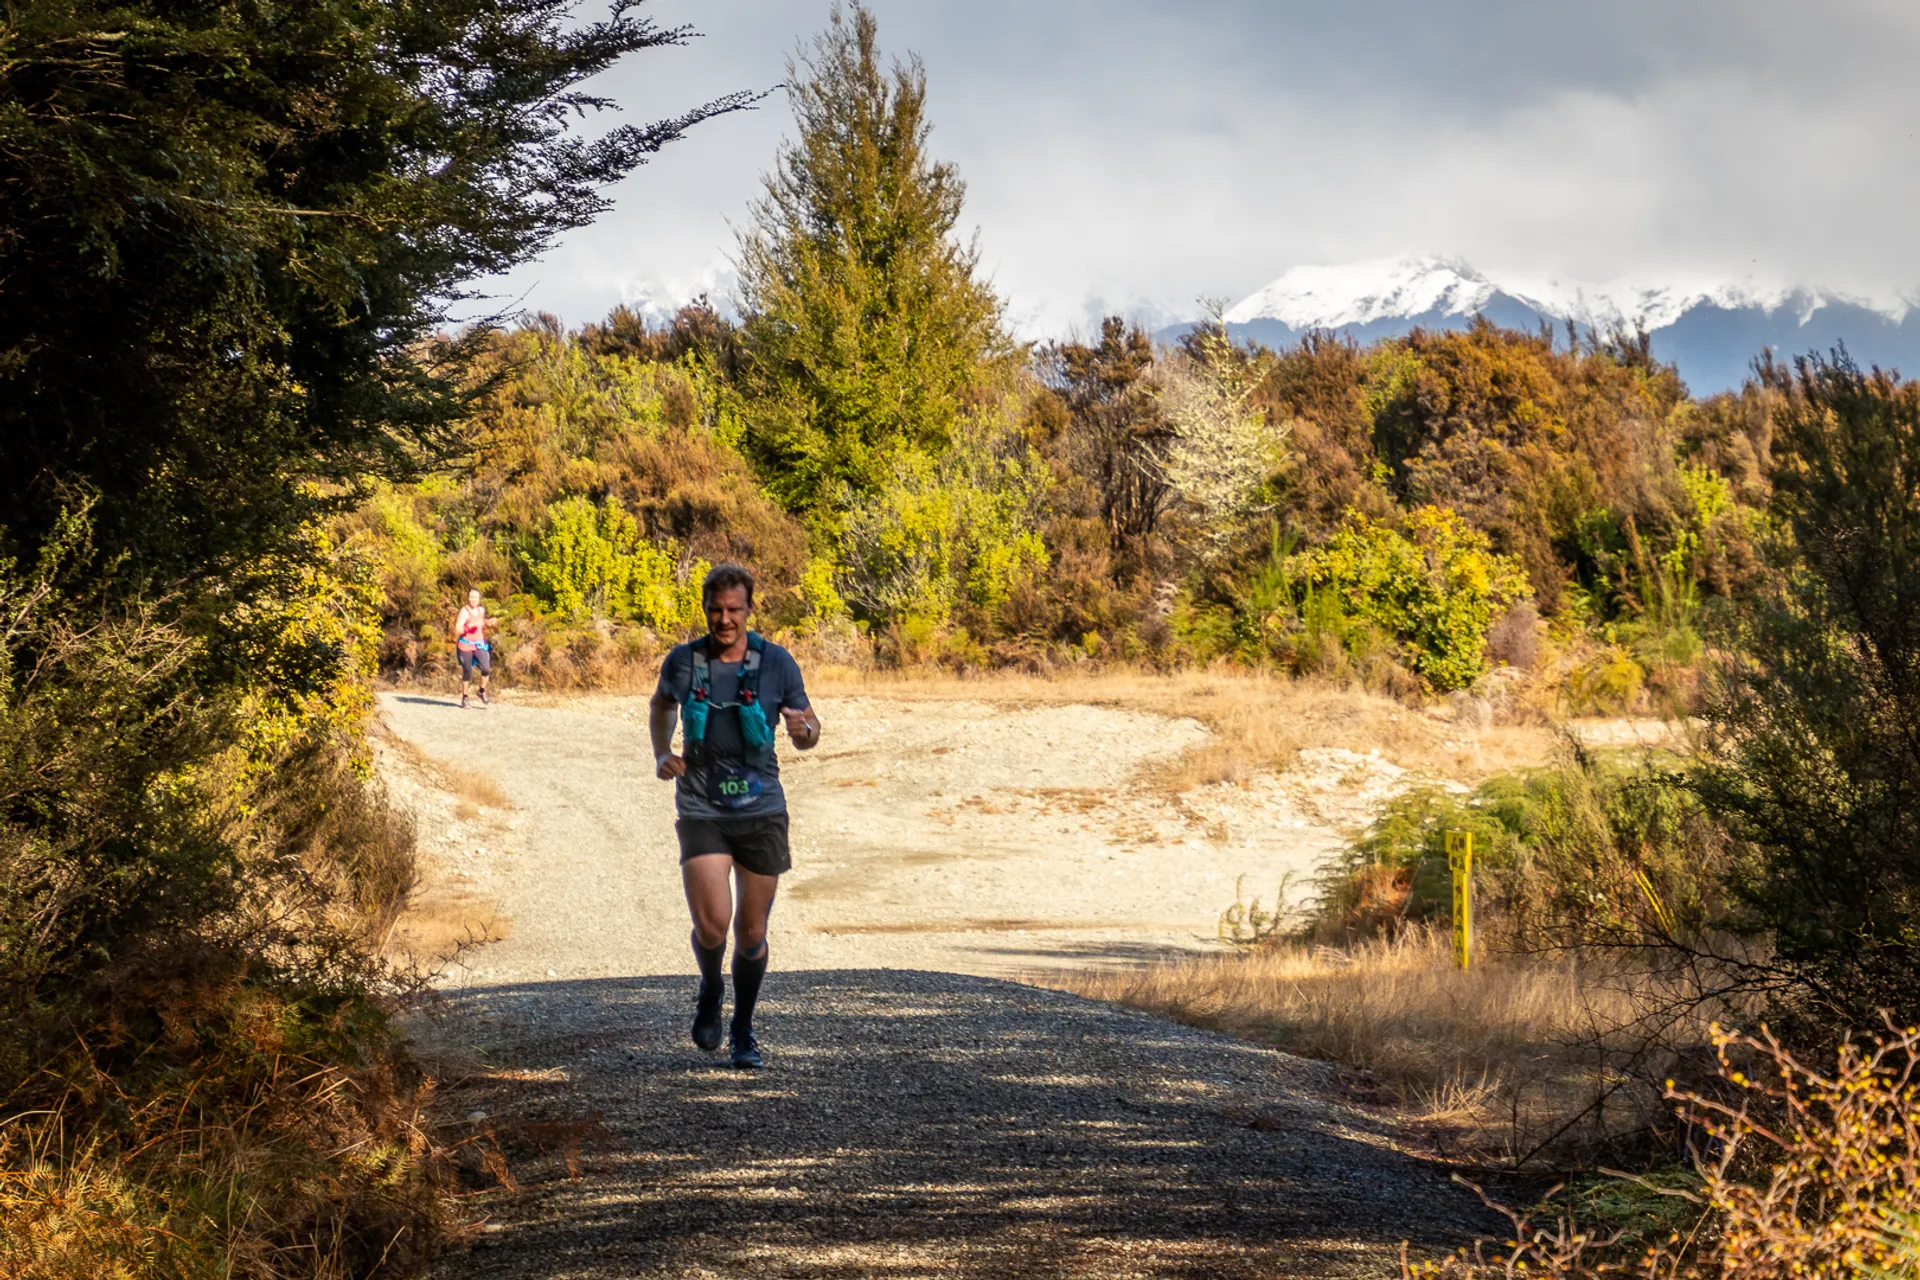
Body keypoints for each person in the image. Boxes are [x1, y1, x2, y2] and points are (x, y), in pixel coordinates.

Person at [650, 563, 819, 1068]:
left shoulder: (778, 664)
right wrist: (662, 753)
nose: (725, 619)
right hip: (701, 804)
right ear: (706, 609)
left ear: (749, 609)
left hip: (762, 807)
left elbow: (810, 731)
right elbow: (661, 707)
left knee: (751, 934)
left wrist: (801, 731)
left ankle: (744, 1027)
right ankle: (709, 986)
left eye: (734, 610)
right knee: (712, 926)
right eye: (716, 610)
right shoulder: (683, 662)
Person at [453, 588, 496, 709]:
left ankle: (481, 691)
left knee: (486, 668)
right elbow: (458, 629)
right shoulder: (464, 611)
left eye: (476, 597)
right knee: (467, 670)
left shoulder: (481, 610)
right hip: (466, 645)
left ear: (479, 598)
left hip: (480, 644)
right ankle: (465, 697)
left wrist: (489, 622)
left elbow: (482, 622)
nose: (473, 600)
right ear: (468, 598)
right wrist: (468, 628)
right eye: (471, 597)